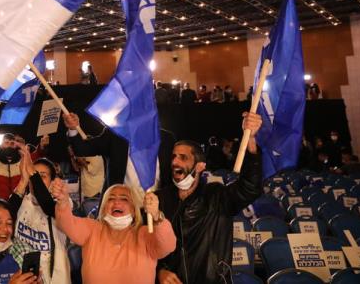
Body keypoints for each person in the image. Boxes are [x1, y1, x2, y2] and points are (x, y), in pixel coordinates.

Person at [156, 112, 263, 284]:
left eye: (183, 157)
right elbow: (148, 245)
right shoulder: (159, 199)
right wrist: (159, 271)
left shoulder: (217, 197)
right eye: (173, 157)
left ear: (200, 166)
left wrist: (250, 139)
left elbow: (250, 188)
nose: (175, 162)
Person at [50, 180, 176, 284]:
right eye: (111, 199)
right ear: (104, 208)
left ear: (134, 210)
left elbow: (168, 245)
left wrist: (156, 216)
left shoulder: (144, 234)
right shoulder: (92, 229)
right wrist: (63, 201)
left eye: (124, 199)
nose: (117, 202)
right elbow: (67, 223)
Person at [9, 147, 70, 283]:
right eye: (33, 176)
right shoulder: (22, 200)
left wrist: (32, 171)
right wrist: (23, 181)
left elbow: (48, 205)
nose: (36, 179)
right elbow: (6, 215)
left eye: (42, 175)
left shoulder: (63, 202)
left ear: (52, 181)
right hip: (22, 276)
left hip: (54, 278)